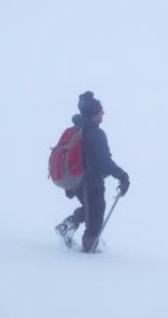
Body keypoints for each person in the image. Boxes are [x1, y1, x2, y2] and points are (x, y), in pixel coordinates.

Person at [55, 91, 130, 252]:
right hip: (91, 182)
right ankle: (90, 253)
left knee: (93, 210)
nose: (103, 113)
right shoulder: (96, 133)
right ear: (94, 114)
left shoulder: (77, 129)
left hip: (77, 181)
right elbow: (105, 162)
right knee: (95, 219)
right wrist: (122, 176)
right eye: (100, 111)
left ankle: (68, 226)